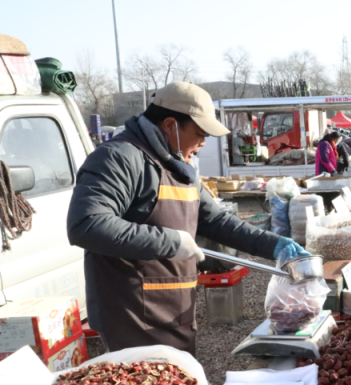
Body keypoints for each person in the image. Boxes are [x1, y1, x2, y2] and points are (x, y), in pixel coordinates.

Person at [66, 82, 307, 355]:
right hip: (131, 312)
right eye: (199, 133)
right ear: (170, 125)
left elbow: (216, 221)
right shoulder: (118, 158)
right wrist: (172, 241)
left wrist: (275, 246)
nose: (203, 143)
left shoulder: (179, 166)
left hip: (175, 308)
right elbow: (86, 225)